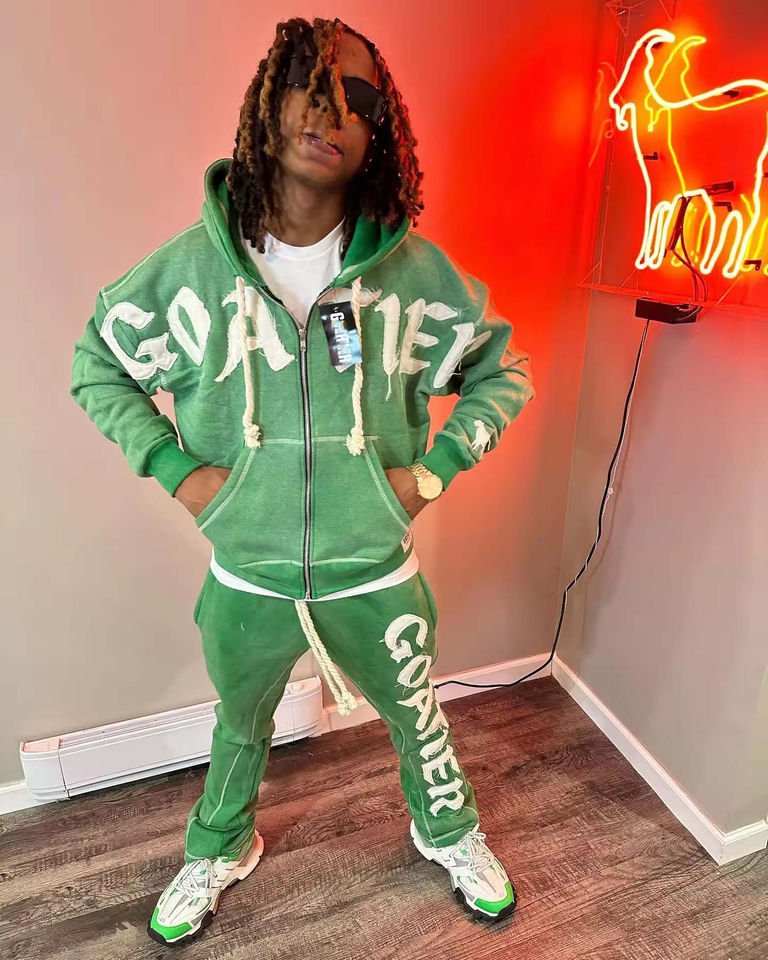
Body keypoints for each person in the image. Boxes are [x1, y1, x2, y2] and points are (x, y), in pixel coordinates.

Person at [69, 15, 535, 947]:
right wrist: (181, 473)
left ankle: (446, 830)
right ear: (267, 100)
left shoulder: (411, 278)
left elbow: (503, 371)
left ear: (379, 136)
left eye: (361, 101)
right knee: (239, 725)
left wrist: (430, 475)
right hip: (248, 572)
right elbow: (97, 365)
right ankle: (219, 846)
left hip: (374, 568)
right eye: (311, 83)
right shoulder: (191, 273)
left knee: (418, 715)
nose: (334, 111)